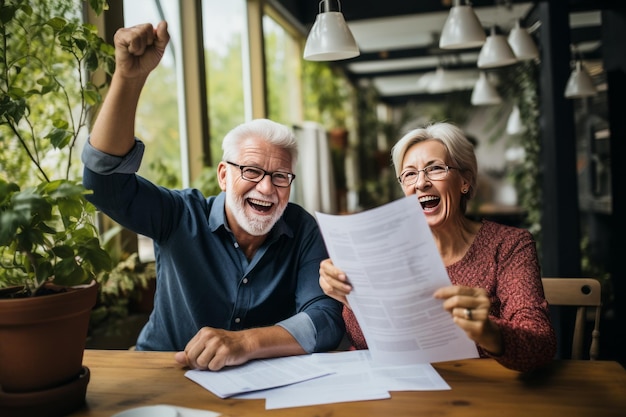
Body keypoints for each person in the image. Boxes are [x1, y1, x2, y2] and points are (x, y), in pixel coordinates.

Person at [81, 21, 344, 371]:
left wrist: (245, 343)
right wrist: (128, 81)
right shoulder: (179, 215)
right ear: (224, 175)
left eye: (280, 176)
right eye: (251, 171)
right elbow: (103, 185)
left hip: (256, 389)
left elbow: (325, 318)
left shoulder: (302, 228)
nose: (267, 189)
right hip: (162, 372)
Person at [319, 122, 557, 372]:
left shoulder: (509, 245)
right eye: (410, 174)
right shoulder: (385, 249)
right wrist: (353, 300)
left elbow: (540, 344)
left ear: (465, 180)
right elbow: (362, 341)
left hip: (483, 392)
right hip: (405, 389)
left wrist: (489, 331)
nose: (421, 183)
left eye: (435, 169)